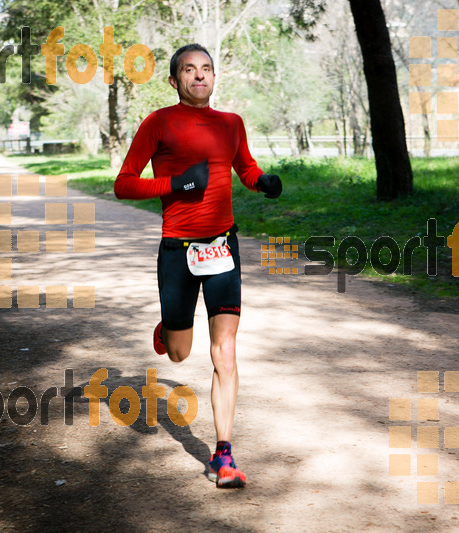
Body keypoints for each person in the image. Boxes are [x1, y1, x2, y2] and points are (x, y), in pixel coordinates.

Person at [114, 44, 282, 488]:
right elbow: (124, 184)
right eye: (189, 70)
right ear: (174, 81)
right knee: (179, 352)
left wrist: (261, 181)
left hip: (222, 246)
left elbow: (244, 166)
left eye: (206, 69)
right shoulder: (158, 123)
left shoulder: (231, 124)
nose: (200, 76)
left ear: (214, 77)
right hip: (178, 250)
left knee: (224, 352)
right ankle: (168, 328)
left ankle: (223, 454)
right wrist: (177, 184)